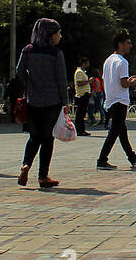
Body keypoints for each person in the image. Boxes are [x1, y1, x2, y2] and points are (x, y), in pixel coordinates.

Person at [15, 18, 69, 188]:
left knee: (34, 136)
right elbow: (61, 79)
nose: (60, 36)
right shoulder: (56, 53)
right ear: (50, 35)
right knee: (47, 138)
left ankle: (25, 165)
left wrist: (30, 81)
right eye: (58, 33)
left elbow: (18, 71)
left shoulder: (28, 50)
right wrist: (65, 102)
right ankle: (43, 176)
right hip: (52, 101)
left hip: (33, 100)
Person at [97, 31, 136, 170]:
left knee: (121, 130)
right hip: (120, 100)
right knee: (114, 131)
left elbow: (110, 80)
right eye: (128, 43)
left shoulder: (108, 61)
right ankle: (102, 159)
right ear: (120, 44)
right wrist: (132, 82)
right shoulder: (123, 62)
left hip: (111, 99)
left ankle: (132, 157)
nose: (131, 45)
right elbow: (123, 83)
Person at [72, 56, 92, 136]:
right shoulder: (79, 72)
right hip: (81, 95)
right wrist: (88, 81)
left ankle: (82, 129)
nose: (88, 64)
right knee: (80, 114)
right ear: (83, 63)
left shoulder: (83, 72)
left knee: (82, 113)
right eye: (87, 63)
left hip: (85, 95)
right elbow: (79, 83)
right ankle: (79, 130)